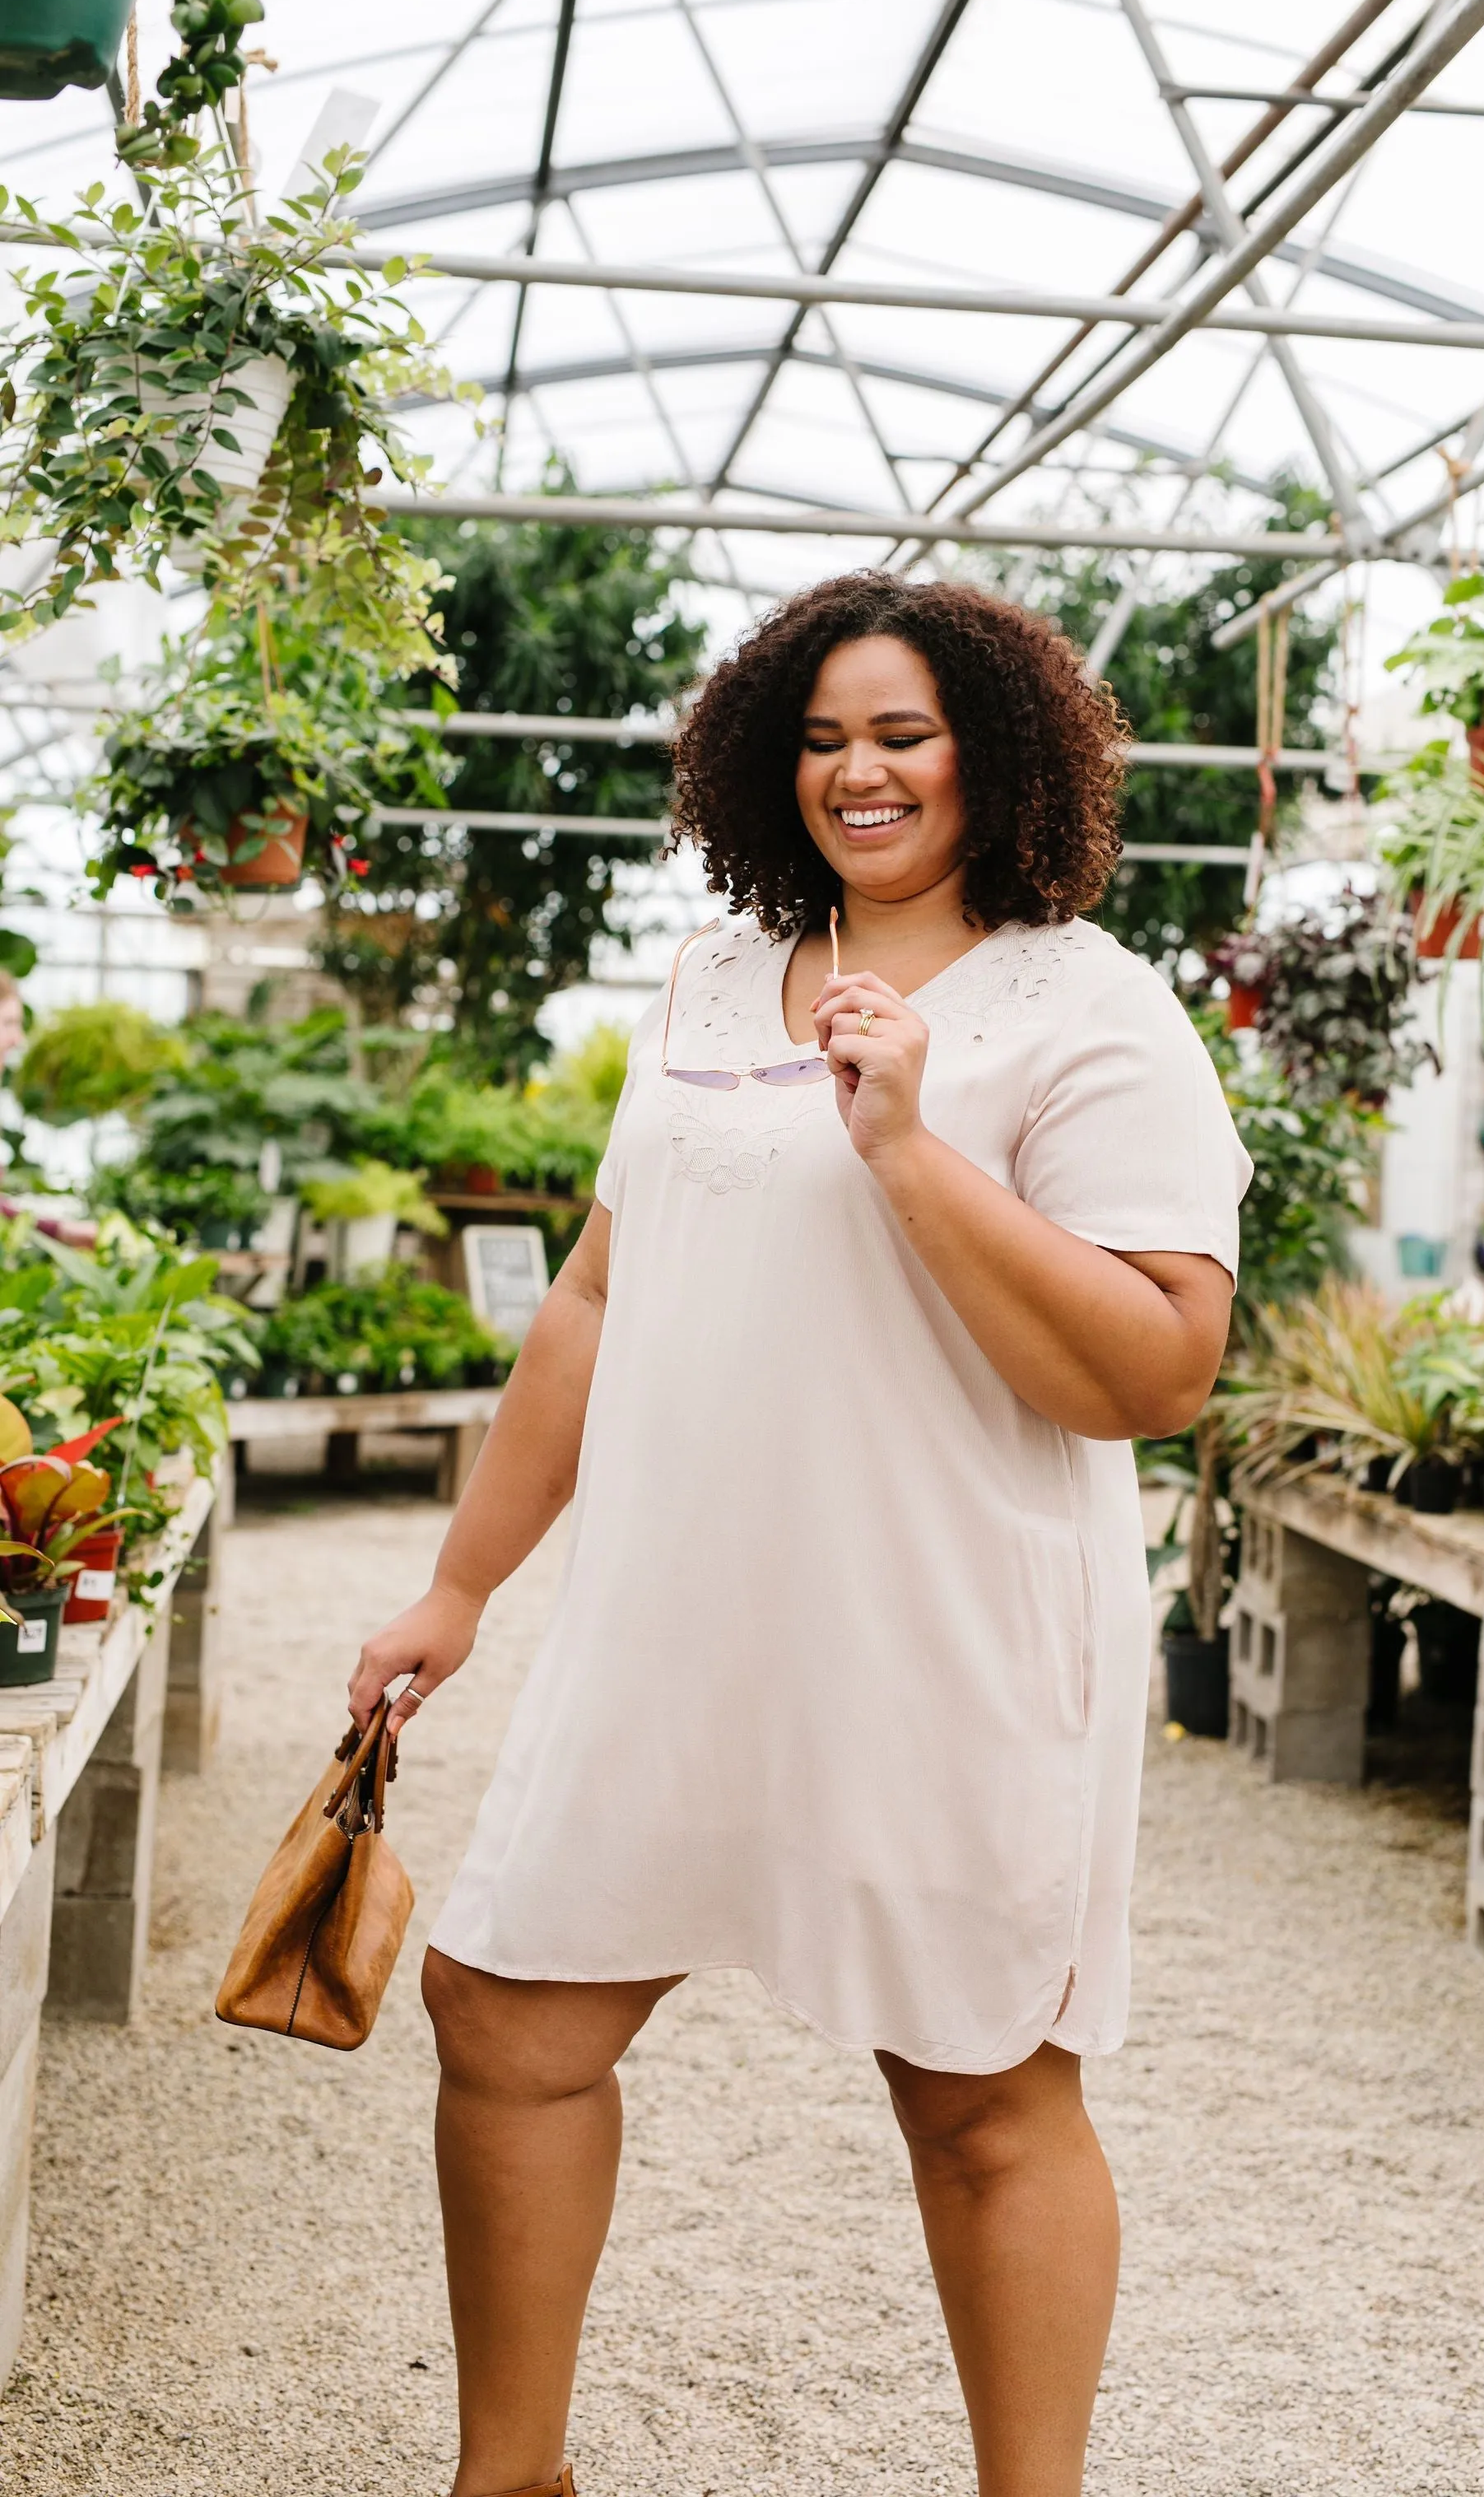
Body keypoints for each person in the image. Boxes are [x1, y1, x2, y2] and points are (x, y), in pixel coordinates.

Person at [351, 573, 1251, 2497]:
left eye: (902, 733)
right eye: (825, 735)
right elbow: (598, 1295)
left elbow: (1162, 1368)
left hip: (939, 1635)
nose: (858, 770)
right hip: (676, 1621)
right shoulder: (704, 975)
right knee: (501, 2008)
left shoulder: (1087, 1005)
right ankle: (507, 2479)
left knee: (983, 2099)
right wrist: (462, 1580)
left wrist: (910, 1146)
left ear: (991, 755)